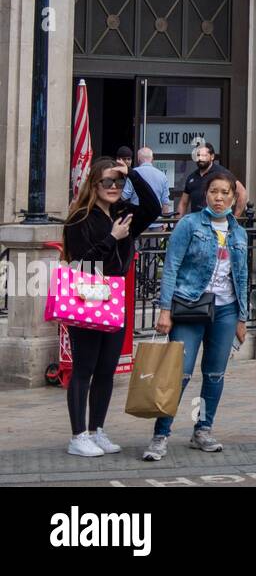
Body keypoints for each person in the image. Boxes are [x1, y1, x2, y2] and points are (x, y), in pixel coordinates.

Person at [60, 156, 162, 457]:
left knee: (107, 369)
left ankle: (96, 430)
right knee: (84, 368)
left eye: (118, 181)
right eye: (107, 181)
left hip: (115, 296)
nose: (113, 186)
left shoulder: (123, 213)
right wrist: (111, 238)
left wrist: (133, 174)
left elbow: (153, 207)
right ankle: (78, 435)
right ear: (94, 183)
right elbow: (83, 262)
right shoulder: (80, 218)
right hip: (87, 295)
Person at [142, 172, 248, 461]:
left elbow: (241, 274)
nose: (219, 197)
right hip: (189, 305)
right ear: (206, 195)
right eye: (214, 191)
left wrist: (242, 317)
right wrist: (165, 310)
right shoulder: (190, 224)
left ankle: (203, 428)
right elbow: (172, 267)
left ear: (233, 197)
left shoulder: (238, 231)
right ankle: (161, 434)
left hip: (225, 309)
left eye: (225, 192)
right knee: (181, 373)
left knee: (214, 374)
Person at [177, 143, 247, 216]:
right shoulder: (191, 177)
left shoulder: (222, 173)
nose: (200, 158)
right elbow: (183, 203)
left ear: (212, 157)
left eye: (204, 155)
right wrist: (177, 225)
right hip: (196, 224)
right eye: (198, 155)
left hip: (216, 223)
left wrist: (236, 218)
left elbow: (242, 193)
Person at [120, 146, 172, 216]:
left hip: (139, 221)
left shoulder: (133, 174)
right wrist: (165, 222)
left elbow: (124, 197)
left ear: (138, 159)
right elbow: (165, 202)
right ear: (152, 159)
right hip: (157, 222)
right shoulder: (162, 175)